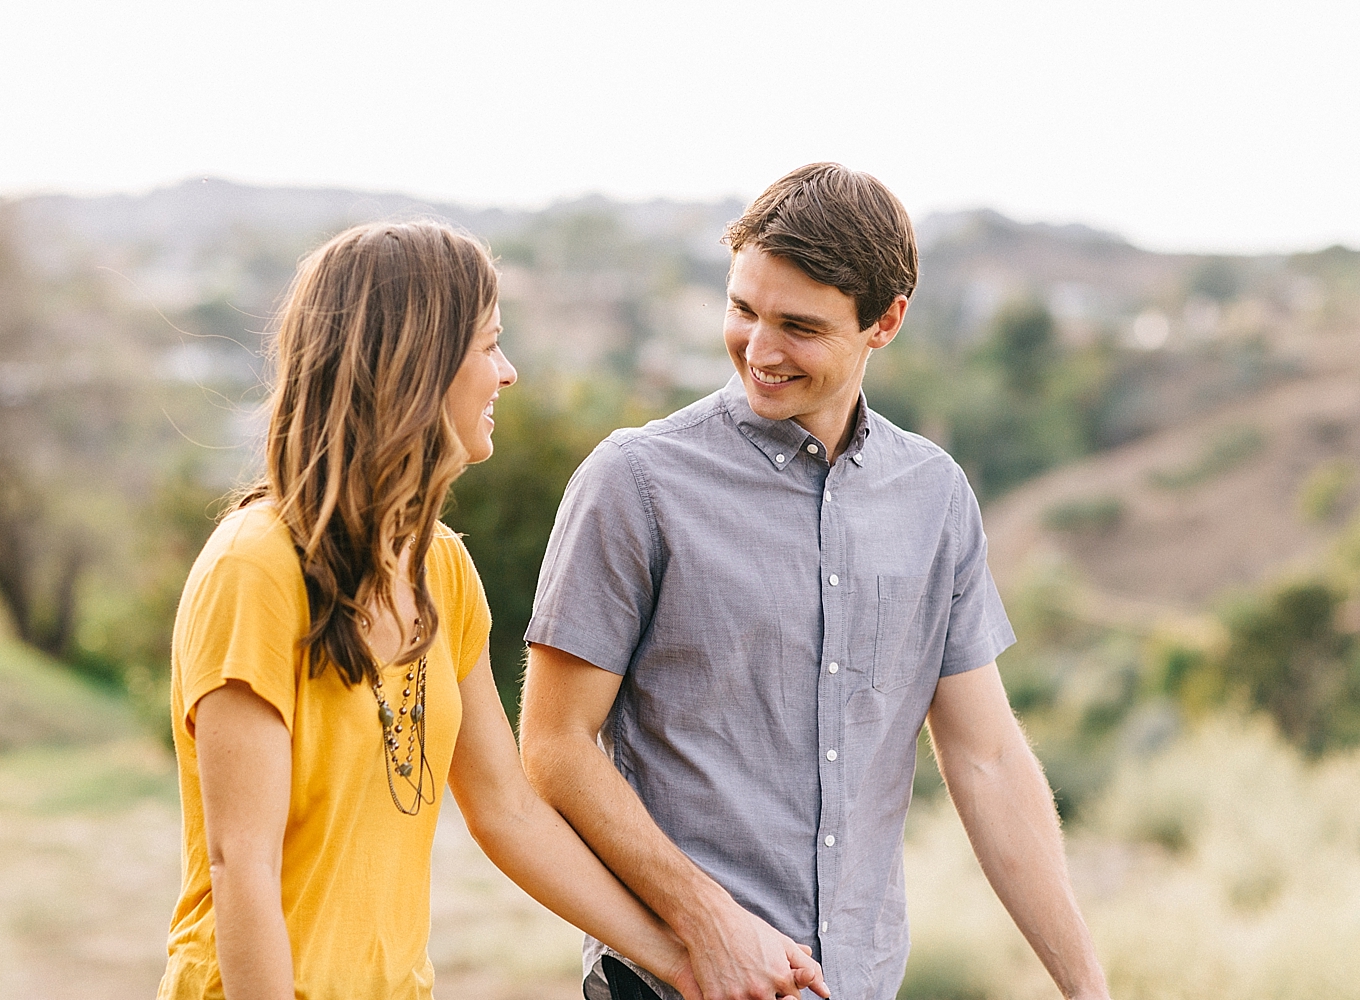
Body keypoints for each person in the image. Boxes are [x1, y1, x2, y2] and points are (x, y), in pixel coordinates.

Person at [155, 221, 825, 1000]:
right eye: (487, 345)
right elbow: (245, 867)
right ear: (415, 364)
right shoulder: (255, 568)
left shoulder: (440, 567)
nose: (506, 374)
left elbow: (508, 810)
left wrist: (677, 958)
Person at [519, 163, 1113, 1000]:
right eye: (742, 309)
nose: (759, 351)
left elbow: (984, 759)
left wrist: (1087, 987)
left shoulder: (934, 497)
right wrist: (706, 923)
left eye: (798, 326)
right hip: (675, 983)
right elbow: (552, 747)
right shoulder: (635, 483)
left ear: (887, 321)